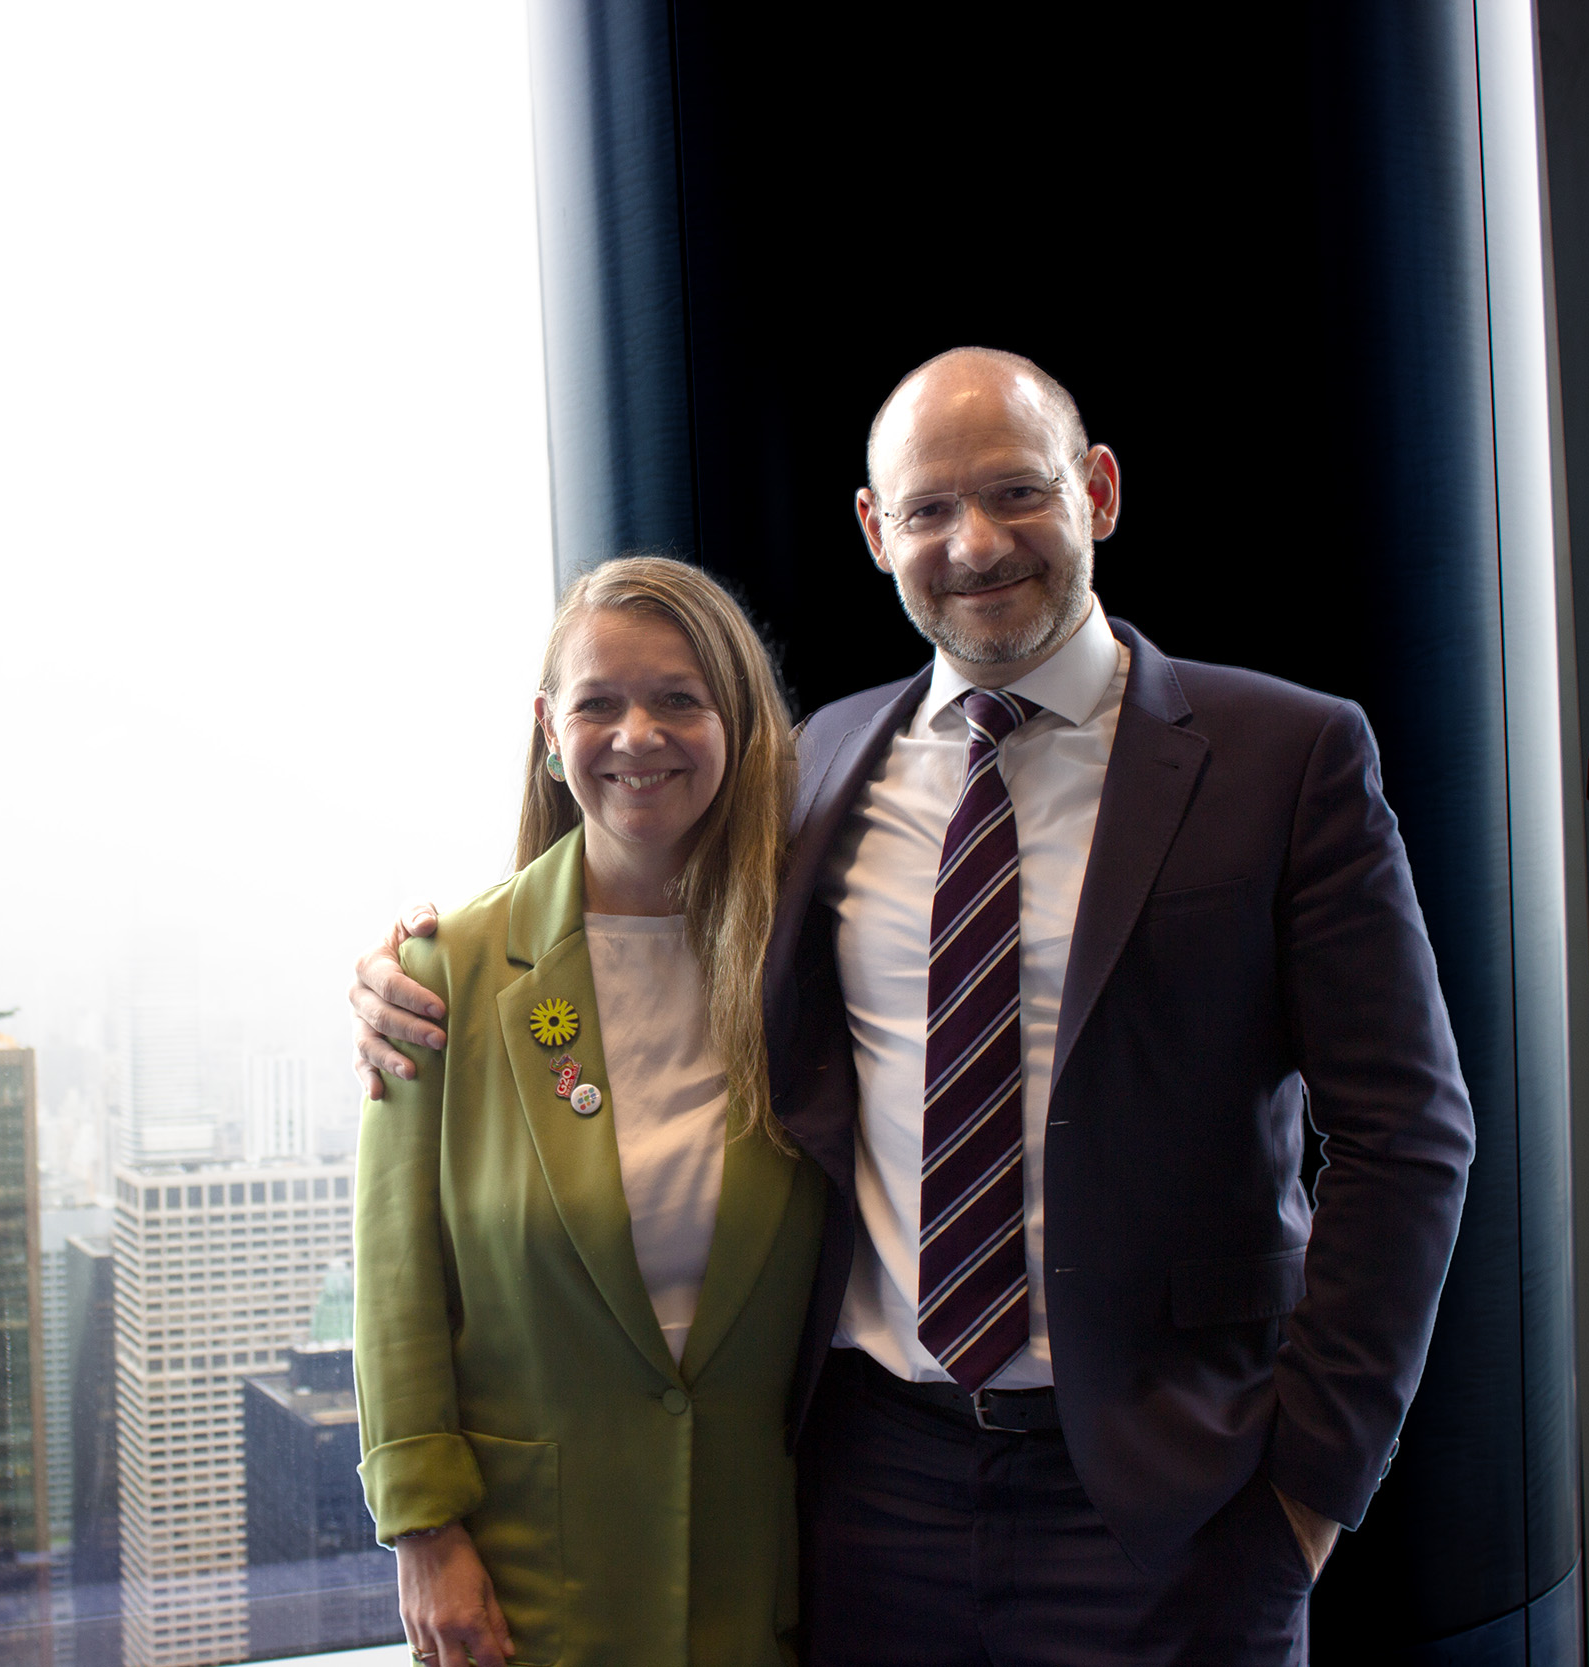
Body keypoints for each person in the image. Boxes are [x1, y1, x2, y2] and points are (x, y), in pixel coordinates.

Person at [352, 349, 1475, 1666]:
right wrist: (419, 970)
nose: (976, 542)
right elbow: (627, 901)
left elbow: (1409, 1137)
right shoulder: (823, 765)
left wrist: (1309, 1492)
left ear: (1099, 491)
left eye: (1016, 491)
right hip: (864, 1486)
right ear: (877, 533)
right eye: (929, 509)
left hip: (1173, 1500)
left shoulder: (1286, 756)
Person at [354, 555, 825, 1667]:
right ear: (547, 729)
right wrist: (423, 1532)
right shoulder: (448, 968)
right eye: (598, 702)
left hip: (761, 1574)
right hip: (524, 1584)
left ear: (737, 721)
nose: (637, 734)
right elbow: (396, 1281)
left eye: (677, 698)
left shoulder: (811, 956)